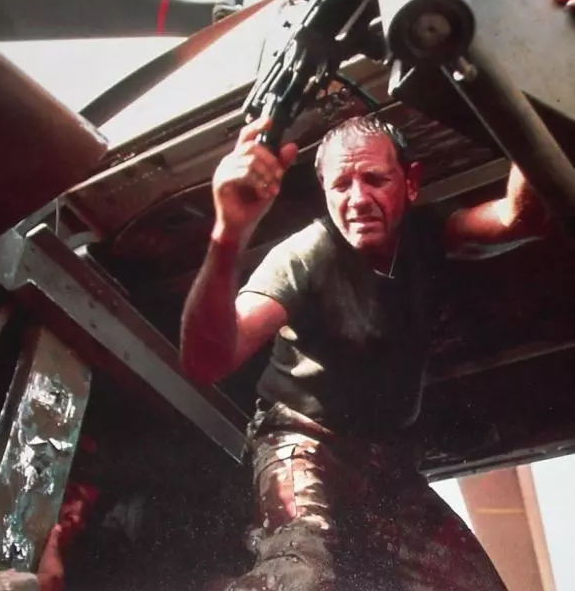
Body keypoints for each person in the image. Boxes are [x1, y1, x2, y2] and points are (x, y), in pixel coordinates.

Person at [179, 99, 556, 590]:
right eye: (341, 184)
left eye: (375, 179)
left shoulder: (426, 235)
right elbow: (208, 360)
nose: (357, 198)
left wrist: (525, 102)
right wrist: (228, 234)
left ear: (411, 183)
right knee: (301, 573)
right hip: (304, 440)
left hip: (386, 458)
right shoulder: (303, 256)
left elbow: (518, 218)